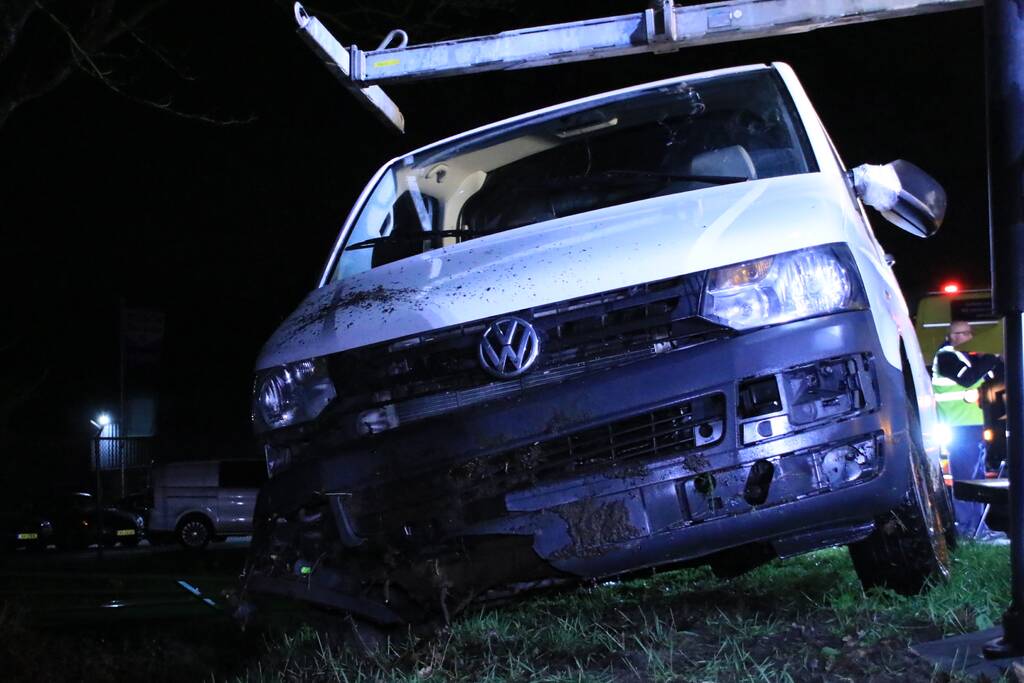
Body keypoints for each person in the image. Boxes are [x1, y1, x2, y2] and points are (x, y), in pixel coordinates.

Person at [931, 320, 1003, 538]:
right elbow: (968, 379)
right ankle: (968, 529)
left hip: (971, 428)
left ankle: (979, 529)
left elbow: (992, 377)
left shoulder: (965, 357)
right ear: (951, 336)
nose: (968, 337)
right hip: (959, 428)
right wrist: (992, 356)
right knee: (965, 481)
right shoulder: (946, 357)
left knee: (976, 480)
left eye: (970, 333)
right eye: (962, 334)